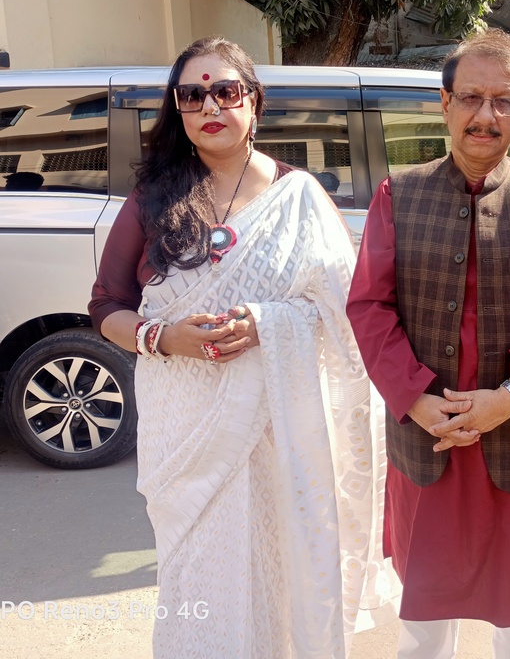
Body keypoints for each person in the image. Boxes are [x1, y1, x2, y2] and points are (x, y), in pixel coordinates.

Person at [89, 36, 376, 659]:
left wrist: (269, 324)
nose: (209, 106)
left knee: (278, 572)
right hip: (185, 430)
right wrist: (164, 337)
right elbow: (106, 306)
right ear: (178, 110)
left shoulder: (300, 196)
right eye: (191, 96)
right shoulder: (152, 199)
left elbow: (346, 311)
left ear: (254, 101)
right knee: (199, 576)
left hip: (279, 433)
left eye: (225, 90)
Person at [346, 29, 510, 659]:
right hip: (428, 436)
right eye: (470, 97)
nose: (484, 116)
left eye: (503, 100)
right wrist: (414, 397)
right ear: (445, 103)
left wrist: (509, 397)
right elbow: (369, 306)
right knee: (425, 618)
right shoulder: (399, 194)